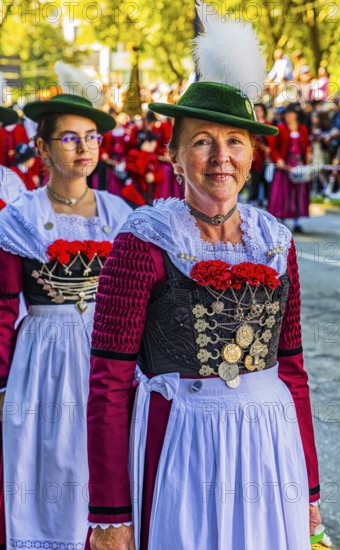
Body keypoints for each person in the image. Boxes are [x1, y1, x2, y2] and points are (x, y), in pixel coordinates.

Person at [86, 8, 321, 550]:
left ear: (253, 154)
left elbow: (293, 369)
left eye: (235, 142)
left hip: (269, 447)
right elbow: (108, 382)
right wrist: (110, 512)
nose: (221, 158)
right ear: (174, 155)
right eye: (201, 142)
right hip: (181, 445)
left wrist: (308, 487)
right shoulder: (142, 241)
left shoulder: (276, 243)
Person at [0, 93, 132, 549]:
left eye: (92, 137)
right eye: (70, 138)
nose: (85, 148)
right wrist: (0, 382)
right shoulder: (21, 217)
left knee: (102, 458)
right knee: (47, 460)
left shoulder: (121, 214)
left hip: (106, 356)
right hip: (43, 359)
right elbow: (3, 306)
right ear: (42, 148)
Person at [268, 103, 312, 233]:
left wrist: (309, 155)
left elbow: (307, 146)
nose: (288, 116)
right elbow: (273, 149)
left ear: (296, 115)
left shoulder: (303, 129)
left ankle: (297, 221)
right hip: (285, 166)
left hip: (299, 165)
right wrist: (278, 160)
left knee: (298, 193)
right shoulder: (280, 129)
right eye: (286, 114)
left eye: (291, 114)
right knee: (284, 193)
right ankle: (282, 221)